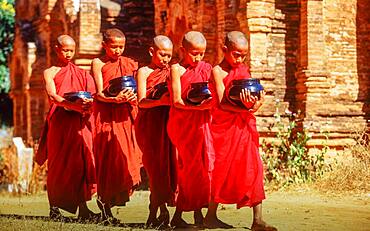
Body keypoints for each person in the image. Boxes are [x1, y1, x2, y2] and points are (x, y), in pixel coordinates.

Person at [204, 31, 277, 231]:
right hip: (223, 128)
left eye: (244, 55)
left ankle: (258, 219)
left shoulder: (243, 70)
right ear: (224, 49)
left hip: (244, 127)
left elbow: (252, 98)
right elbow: (221, 104)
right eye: (237, 54)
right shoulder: (217, 71)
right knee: (220, 170)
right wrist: (246, 107)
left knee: (254, 168)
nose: (240, 59)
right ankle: (210, 215)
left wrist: (256, 104)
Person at [35, 35, 97, 221]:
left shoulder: (82, 73)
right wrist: (74, 106)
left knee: (79, 163)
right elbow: (53, 96)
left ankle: (83, 208)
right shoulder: (50, 72)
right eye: (65, 50)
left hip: (78, 123)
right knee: (58, 165)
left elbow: (92, 96)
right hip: (60, 122)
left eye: (72, 50)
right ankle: (54, 208)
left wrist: (86, 103)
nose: (69, 54)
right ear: (56, 49)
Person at [91, 28, 142, 223]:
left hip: (125, 116)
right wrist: (115, 100)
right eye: (113, 47)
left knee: (127, 158)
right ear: (104, 45)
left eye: (121, 47)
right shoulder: (98, 63)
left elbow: (137, 89)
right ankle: (104, 206)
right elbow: (99, 93)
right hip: (106, 116)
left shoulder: (129, 64)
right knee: (108, 160)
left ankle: (111, 204)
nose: (117, 51)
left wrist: (131, 97)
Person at [167, 31, 215, 228]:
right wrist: (197, 107)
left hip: (203, 123)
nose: (198, 58)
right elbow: (177, 101)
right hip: (183, 123)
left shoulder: (207, 68)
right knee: (187, 169)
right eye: (194, 53)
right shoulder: (176, 69)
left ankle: (197, 213)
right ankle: (178, 215)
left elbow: (213, 92)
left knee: (203, 168)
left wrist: (209, 104)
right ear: (183, 50)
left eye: (202, 54)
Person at [135, 35, 177, 228]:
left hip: (169, 123)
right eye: (162, 54)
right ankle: (158, 211)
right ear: (152, 51)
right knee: (155, 168)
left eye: (169, 55)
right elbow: (141, 101)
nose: (166, 59)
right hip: (150, 124)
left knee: (168, 168)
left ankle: (157, 212)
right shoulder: (143, 71)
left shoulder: (172, 71)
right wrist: (160, 101)